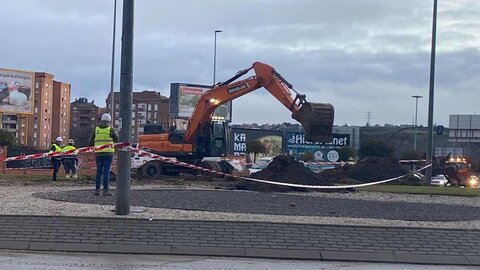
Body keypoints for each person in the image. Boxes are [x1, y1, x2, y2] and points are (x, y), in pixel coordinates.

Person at [89, 113, 118, 196]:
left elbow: (90, 141)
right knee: (106, 172)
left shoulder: (96, 129)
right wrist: (114, 148)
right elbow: (117, 139)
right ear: (109, 121)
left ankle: (97, 190)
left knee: (98, 172)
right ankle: (105, 191)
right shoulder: (111, 130)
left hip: (98, 154)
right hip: (108, 154)